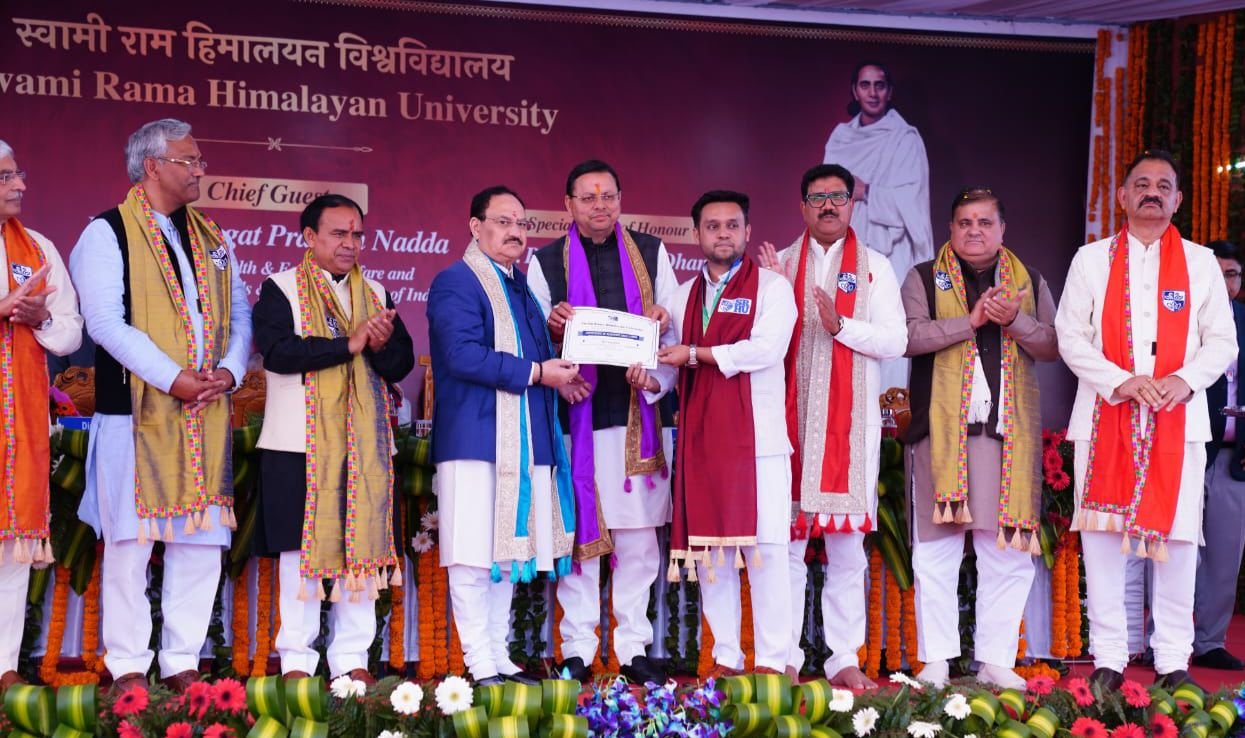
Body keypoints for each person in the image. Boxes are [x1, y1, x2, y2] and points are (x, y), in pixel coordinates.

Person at [69, 119, 252, 694]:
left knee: (200, 543)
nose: (200, 170)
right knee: (130, 543)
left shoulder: (213, 238)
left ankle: (181, 662)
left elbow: (240, 314)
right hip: (136, 415)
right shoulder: (106, 233)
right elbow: (104, 323)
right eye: (188, 160)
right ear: (152, 166)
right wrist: (173, 379)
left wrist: (229, 371)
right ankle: (127, 666)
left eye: (199, 160)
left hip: (205, 412)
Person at [1056, 149, 1236, 691]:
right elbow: (1071, 336)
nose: (1151, 192)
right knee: (1103, 543)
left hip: (1177, 419)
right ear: (1122, 196)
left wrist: (1182, 382)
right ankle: (1109, 657)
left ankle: (1173, 660)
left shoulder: (1201, 263)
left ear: (1178, 199)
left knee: (1177, 544)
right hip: (1107, 415)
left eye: (1163, 185)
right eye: (1141, 183)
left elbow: (1222, 341)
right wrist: (1123, 382)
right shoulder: (1091, 259)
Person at [251, 194, 414, 682]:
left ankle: (352, 660)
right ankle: (296, 660)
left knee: (360, 547)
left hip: (364, 447)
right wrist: (350, 343)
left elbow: (400, 363)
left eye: (357, 234)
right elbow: (280, 352)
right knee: (297, 552)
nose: (350, 243)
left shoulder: (376, 293)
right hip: (297, 445)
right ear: (310, 237)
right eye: (339, 233)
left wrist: (377, 345)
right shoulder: (280, 288)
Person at [901, 187, 1059, 688]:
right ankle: (937, 660)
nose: (974, 230)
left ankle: (996, 659)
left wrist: (1014, 320)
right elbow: (908, 336)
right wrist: (968, 322)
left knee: (1005, 551)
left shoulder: (1029, 280)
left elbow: (1053, 345)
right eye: (964, 222)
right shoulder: (923, 277)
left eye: (984, 222)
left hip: (1006, 436)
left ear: (1002, 230)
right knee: (937, 551)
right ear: (950, 228)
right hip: (940, 433)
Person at [757, 163, 907, 688]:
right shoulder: (780, 265)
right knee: (788, 547)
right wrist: (776, 297)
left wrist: (840, 326)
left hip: (850, 432)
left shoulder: (875, 267)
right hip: (789, 427)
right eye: (818, 197)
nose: (828, 206)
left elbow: (896, 340)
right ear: (802, 206)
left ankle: (843, 656)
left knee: (847, 551)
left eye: (838, 196)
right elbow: (759, 343)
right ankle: (785, 656)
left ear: (852, 204)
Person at [528, 160, 676, 685]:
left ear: (620, 199)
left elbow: (673, 332)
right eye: (588, 197)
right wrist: (552, 337)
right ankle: (578, 649)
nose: (599, 205)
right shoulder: (545, 262)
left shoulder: (652, 253)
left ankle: (632, 648)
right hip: (576, 418)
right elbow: (530, 338)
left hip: (639, 416)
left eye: (608, 196)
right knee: (580, 542)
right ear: (567, 204)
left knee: (638, 542)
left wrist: (657, 356)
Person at [427, 185, 580, 686]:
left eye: (521, 223)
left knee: (505, 555)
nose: (515, 231)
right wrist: (538, 373)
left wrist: (559, 372)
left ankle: (499, 658)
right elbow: (460, 355)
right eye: (503, 221)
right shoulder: (457, 282)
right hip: (476, 439)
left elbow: (536, 359)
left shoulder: (521, 288)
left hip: (525, 439)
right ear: (476, 227)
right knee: (473, 557)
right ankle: (477, 663)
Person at [658, 190, 798, 677]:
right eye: (712, 226)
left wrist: (696, 355)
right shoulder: (681, 297)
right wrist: (649, 380)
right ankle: (726, 658)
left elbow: (765, 350)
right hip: (702, 444)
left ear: (747, 231)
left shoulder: (773, 288)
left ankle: (774, 662)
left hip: (759, 442)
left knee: (767, 553)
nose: (723, 234)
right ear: (696, 234)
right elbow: (669, 366)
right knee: (712, 553)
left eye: (732, 225)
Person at [0, 140, 83, 691]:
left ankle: (3, 667)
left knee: (9, 545)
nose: (20, 185)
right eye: (6, 176)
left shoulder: (38, 248)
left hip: (20, 424)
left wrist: (39, 316)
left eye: (18, 174)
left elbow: (71, 332)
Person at [823, 61, 933, 391]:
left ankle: (887, 412)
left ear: (889, 91)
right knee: (842, 327)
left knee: (887, 333)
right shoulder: (841, 138)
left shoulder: (905, 139)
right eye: (865, 85)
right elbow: (825, 198)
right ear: (854, 91)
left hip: (892, 252)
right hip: (849, 248)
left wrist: (868, 191)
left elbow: (913, 204)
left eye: (879, 85)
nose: (872, 92)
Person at [1192, 240, 1245, 671]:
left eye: (1233, 274)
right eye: (1218, 272)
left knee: (1225, 557)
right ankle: (1162, 640)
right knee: (1175, 551)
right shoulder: (1184, 322)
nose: (1226, 282)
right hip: (1189, 450)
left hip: (1235, 458)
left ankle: (1209, 642)